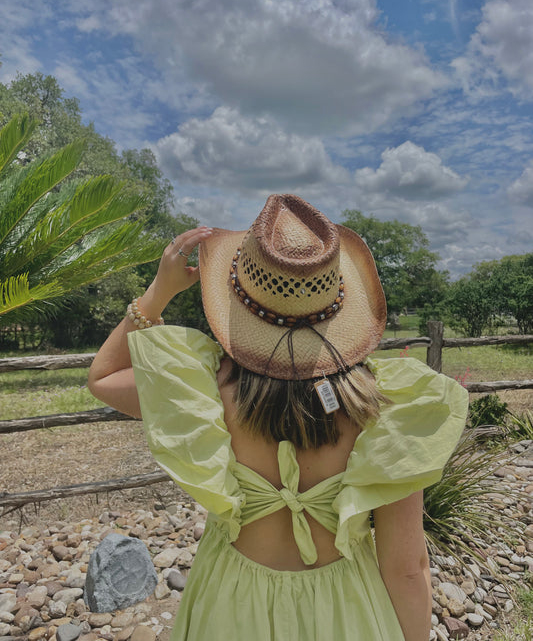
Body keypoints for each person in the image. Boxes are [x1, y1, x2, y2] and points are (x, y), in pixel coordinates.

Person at [88, 194, 468, 641]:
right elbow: (407, 569)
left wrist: (158, 292)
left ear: (237, 299)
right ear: (337, 303)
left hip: (231, 600)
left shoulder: (204, 389)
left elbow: (104, 376)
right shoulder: (384, 407)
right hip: (343, 607)